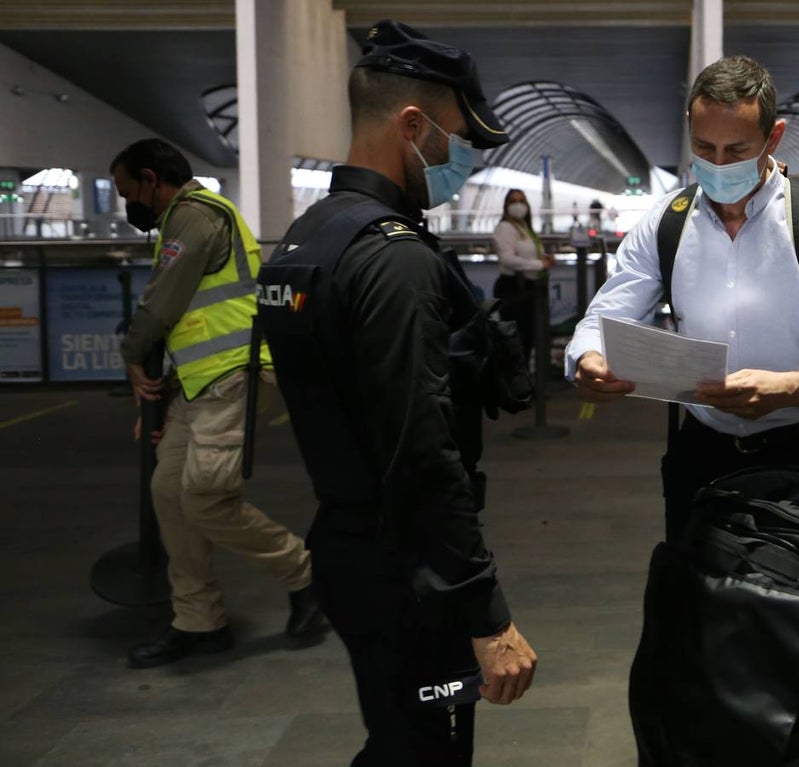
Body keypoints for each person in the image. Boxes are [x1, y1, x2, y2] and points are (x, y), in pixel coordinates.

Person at [257, 20, 536, 766]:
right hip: (409, 573)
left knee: (400, 736)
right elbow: (421, 449)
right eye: (452, 139)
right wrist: (485, 610)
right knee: (424, 749)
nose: (459, 162)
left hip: (350, 548)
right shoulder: (393, 259)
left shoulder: (309, 238)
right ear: (412, 125)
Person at [565, 55, 799, 545]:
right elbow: (608, 313)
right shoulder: (666, 222)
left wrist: (794, 386)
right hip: (702, 452)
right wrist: (587, 356)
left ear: (773, 138)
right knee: (695, 602)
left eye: (737, 149)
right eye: (704, 147)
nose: (718, 164)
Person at [111, 138, 323, 668]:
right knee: (168, 492)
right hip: (195, 383)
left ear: (150, 179)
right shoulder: (181, 221)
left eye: (125, 191)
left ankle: (306, 573)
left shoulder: (196, 216)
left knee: (206, 496)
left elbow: (163, 299)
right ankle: (198, 621)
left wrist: (133, 352)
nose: (126, 203)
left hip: (230, 375)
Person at [491, 188, 554, 360]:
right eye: (513, 201)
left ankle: (524, 380)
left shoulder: (525, 227)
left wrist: (543, 258)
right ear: (506, 206)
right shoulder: (505, 228)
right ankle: (515, 383)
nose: (518, 205)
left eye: (522, 200)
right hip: (513, 289)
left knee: (527, 339)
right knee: (516, 342)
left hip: (528, 289)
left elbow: (527, 252)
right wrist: (539, 264)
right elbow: (507, 259)